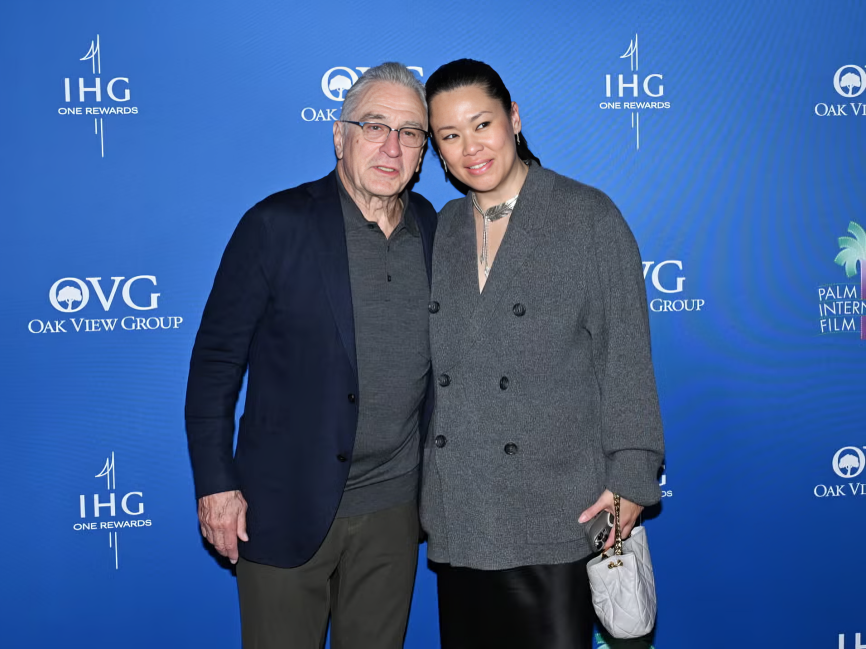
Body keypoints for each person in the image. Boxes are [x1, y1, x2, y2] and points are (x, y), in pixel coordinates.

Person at [185, 62, 437, 649]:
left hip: (395, 509)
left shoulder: (434, 228)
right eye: (374, 126)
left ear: (424, 152)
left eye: (410, 133)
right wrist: (216, 485)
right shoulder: (275, 225)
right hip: (282, 505)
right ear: (340, 136)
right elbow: (216, 363)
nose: (392, 147)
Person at [420, 58, 665, 649]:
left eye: (482, 124)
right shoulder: (444, 228)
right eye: (449, 135)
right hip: (462, 511)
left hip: (559, 510)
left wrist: (632, 478)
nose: (470, 148)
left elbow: (626, 357)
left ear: (514, 117)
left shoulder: (587, 216)